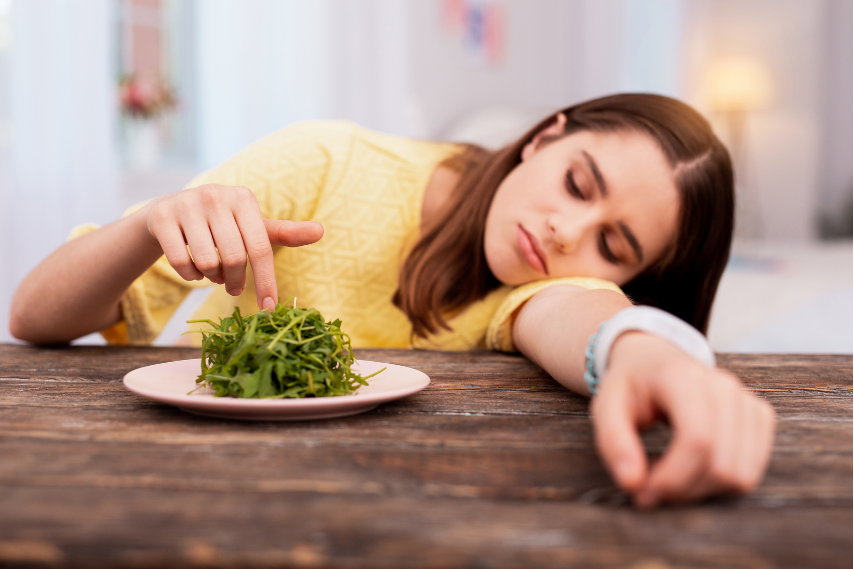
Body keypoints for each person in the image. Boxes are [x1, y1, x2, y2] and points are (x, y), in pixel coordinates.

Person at [9, 93, 775, 509]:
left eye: (613, 245)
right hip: (187, 485)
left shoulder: (544, 283)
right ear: (545, 137)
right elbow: (32, 317)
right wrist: (149, 222)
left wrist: (650, 356)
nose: (565, 230)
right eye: (578, 183)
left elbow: (590, 321)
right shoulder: (326, 162)